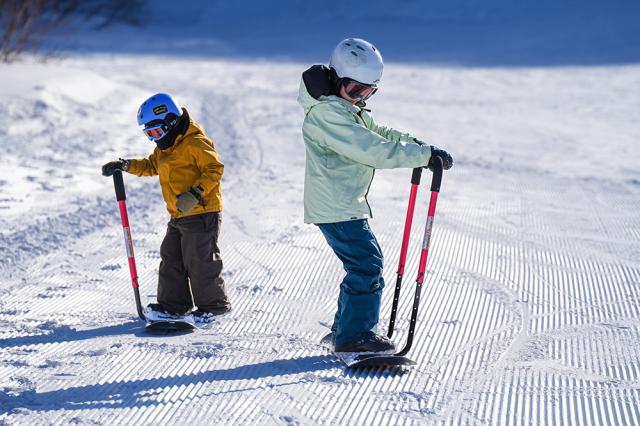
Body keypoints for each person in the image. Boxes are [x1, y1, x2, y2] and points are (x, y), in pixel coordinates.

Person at [297, 38, 453, 353]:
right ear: (337, 79)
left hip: (343, 203)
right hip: (336, 205)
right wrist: (420, 156)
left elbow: (379, 133)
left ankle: (346, 329)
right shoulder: (328, 115)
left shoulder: (343, 108)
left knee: (362, 264)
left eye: (368, 92)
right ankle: (355, 336)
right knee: (366, 266)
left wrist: (418, 146)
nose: (360, 98)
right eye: (356, 90)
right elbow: (372, 149)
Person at [102, 93, 230, 325]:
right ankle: (174, 306)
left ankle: (213, 307)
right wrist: (125, 165)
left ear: (170, 121)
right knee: (171, 256)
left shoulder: (195, 142)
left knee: (199, 260)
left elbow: (215, 169)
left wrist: (196, 193)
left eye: (156, 132)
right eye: (149, 134)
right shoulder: (166, 147)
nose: (154, 139)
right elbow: (152, 165)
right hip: (178, 214)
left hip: (201, 212)